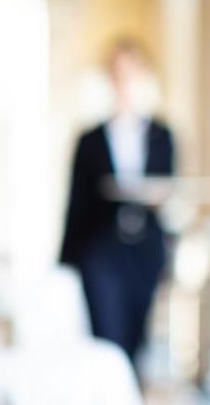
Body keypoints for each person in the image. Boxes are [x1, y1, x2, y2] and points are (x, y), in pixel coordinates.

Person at [59, 38, 175, 364]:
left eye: (131, 73)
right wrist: (66, 262)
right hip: (102, 250)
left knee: (137, 341)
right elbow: (76, 204)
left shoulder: (162, 136)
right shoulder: (90, 140)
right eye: (118, 73)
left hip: (144, 251)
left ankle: (129, 394)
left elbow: (167, 188)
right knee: (108, 340)